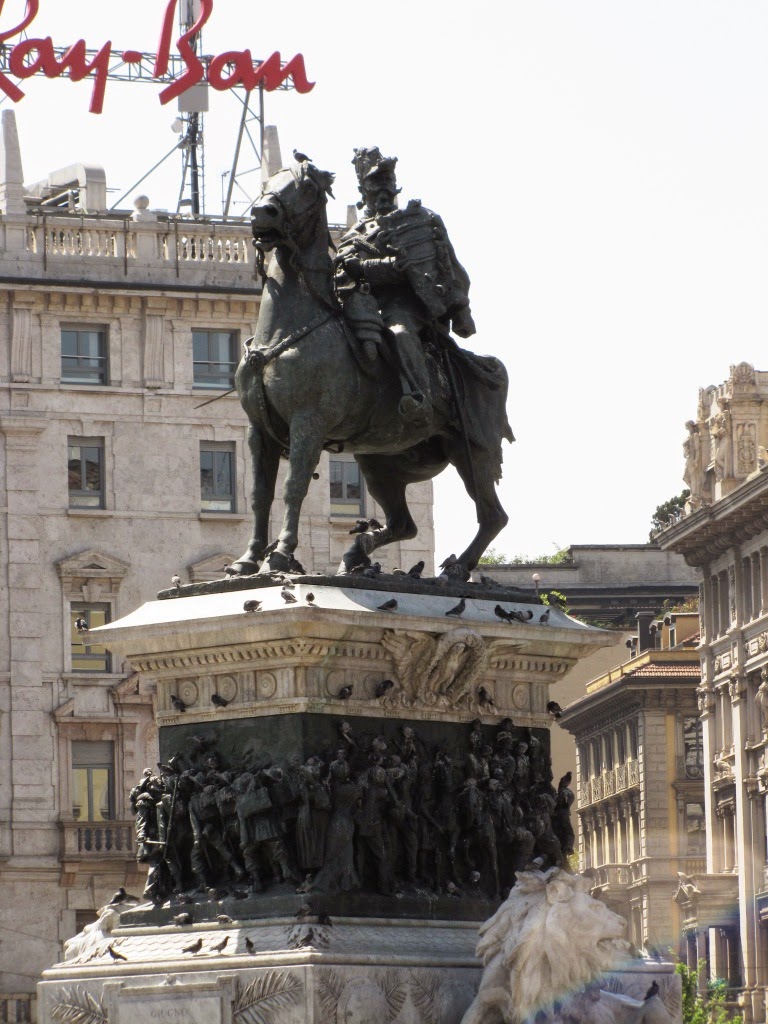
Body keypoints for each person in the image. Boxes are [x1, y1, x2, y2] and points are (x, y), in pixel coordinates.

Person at [334, 146, 476, 427]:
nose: (384, 188)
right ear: (363, 189)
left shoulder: (420, 220)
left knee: (399, 333)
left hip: (407, 305)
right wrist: (361, 273)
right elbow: (342, 275)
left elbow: (444, 267)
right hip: (364, 306)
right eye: (376, 181)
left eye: (387, 179)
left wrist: (460, 308)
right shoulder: (353, 235)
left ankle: (419, 401)